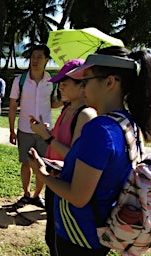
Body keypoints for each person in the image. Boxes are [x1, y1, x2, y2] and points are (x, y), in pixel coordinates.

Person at [28, 46, 151, 255]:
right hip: (99, 229)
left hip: (78, 232)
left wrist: (42, 174)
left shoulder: (99, 129)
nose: (82, 87)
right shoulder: (127, 123)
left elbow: (78, 197)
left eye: (86, 81)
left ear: (110, 82)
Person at [29, 59, 97, 256]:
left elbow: (75, 157)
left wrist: (46, 136)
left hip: (67, 184)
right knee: (52, 235)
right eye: (60, 83)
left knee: (62, 239)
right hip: (54, 179)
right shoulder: (67, 108)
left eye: (66, 83)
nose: (61, 87)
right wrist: (47, 131)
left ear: (82, 85)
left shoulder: (86, 115)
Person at [8, 44, 63, 208]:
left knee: (43, 164)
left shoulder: (52, 82)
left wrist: (63, 101)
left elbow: (53, 103)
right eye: (33, 56)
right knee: (25, 163)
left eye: (40, 57)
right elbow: (12, 105)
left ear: (47, 59)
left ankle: (37, 195)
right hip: (24, 129)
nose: (35, 60)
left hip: (45, 131)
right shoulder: (20, 80)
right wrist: (11, 130)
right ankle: (25, 193)